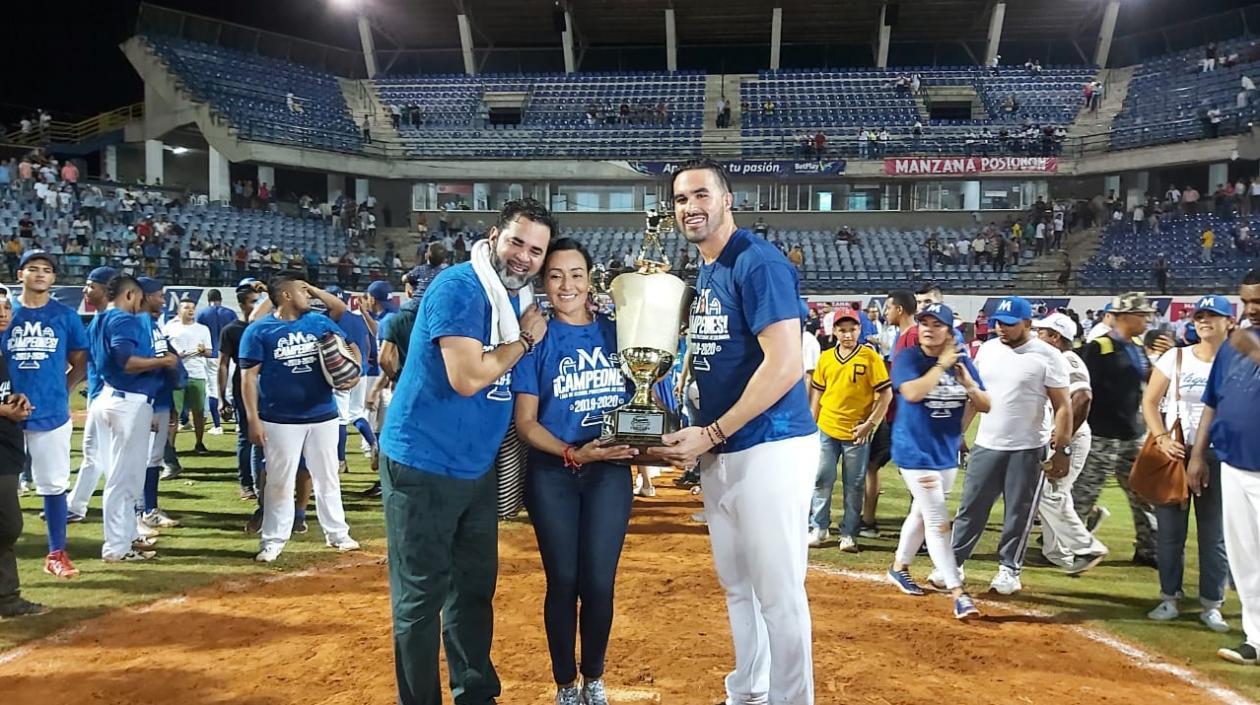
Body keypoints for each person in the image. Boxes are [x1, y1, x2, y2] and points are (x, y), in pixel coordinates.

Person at [651, 160, 818, 705]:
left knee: (778, 594)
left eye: (701, 194)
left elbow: (786, 364)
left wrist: (714, 431)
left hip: (770, 445)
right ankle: (747, 691)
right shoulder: (708, 269)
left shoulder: (757, 262)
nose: (689, 207)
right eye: (679, 199)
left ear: (728, 200)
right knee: (739, 589)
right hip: (724, 450)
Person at [378, 198, 553, 705]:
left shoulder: (515, 299)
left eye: (536, 250)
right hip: (422, 464)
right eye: (517, 241)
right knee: (419, 599)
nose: (523, 256)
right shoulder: (461, 286)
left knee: (473, 591)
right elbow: (468, 376)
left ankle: (476, 694)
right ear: (495, 235)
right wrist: (523, 340)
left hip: (474, 471)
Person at [511, 238, 637, 705]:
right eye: (556, 275)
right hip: (553, 474)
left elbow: (641, 398)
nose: (567, 285)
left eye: (576, 274)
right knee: (564, 581)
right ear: (544, 282)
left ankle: (595, 678)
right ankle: (566, 684)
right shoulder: (536, 339)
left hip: (609, 473)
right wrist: (573, 454)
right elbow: (526, 423)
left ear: (591, 279)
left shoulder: (619, 332)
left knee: (598, 582)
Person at [933, 297, 1071, 595]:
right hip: (987, 442)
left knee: (1018, 512)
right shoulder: (987, 349)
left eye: (1009, 324)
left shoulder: (1048, 356)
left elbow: (1063, 406)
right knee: (971, 507)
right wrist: (959, 432)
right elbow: (975, 393)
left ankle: (1009, 570)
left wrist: (1062, 449)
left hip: (1028, 447)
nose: (1000, 329)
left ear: (1028, 324)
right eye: (997, 323)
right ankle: (953, 564)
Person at [239, 274, 361, 563]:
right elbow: (248, 377)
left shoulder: (318, 322)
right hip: (279, 418)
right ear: (286, 296)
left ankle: (337, 533)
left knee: (327, 475)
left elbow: (345, 330)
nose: (308, 295)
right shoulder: (260, 331)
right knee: (279, 480)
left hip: (322, 413)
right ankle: (273, 540)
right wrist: (253, 419)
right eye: (301, 291)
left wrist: (352, 370)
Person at [884, 303, 988, 620]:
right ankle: (958, 592)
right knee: (937, 518)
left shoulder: (963, 360)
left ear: (948, 330)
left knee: (922, 511)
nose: (928, 328)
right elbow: (912, 393)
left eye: (936, 324)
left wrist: (968, 384)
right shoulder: (908, 358)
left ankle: (899, 567)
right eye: (924, 323)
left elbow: (985, 403)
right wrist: (941, 367)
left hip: (945, 453)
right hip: (913, 451)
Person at [1141, 295, 1232, 632]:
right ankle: (1169, 598)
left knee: (1213, 534)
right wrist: (1162, 437)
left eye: (1213, 316)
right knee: (1170, 533)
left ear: (1228, 322)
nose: (1204, 321)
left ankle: (1212, 604)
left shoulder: (1236, 360)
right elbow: (1150, 402)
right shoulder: (1175, 357)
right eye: (1200, 316)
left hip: (1217, 454)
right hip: (1175, 452)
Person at [4, 251, 88, 578]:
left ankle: (56, 553)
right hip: (6, 412)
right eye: (33, 269)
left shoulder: (65, 316)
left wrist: (62, 388)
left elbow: (80, 360)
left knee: (54, 485)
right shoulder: (5, 313)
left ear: (53, 278)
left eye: (47, 270)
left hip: (51, 412)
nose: (40, 274)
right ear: (20, 274)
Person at [1191, 271, 1260, 665]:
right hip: (1233, 463)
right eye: (1247, 302)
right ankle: (1255, 639)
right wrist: (1198, 455)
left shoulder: (1242, 342)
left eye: (1259, 303)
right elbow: (1212, 401)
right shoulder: (1233, 346)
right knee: (1245, 557)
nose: (1251, 309)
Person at [89, 274, 177, 561]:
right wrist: (163, 361)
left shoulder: (99, 319)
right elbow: (127, 362)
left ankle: (125, 537)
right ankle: (116, 548)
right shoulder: (124, 320)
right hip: (126, 401)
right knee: (123, 480)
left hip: (114, 397)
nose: (141, 302)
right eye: (138, 297)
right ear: (129, 295)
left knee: (125, 477)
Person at [1074, 292, 1160, 567]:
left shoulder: (1137, 347)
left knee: (1143, 495)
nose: (1147, 319)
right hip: (1101, 435)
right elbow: (1081, 388)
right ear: (1125, 317)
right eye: (1142, 315)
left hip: (1132, 434)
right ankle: (1066, 546)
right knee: (1084, 494)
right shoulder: (1099, 347)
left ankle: (1149, 549)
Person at [808, 306, 892, 552]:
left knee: (853, 485)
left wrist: (870, 423)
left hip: (857, 432)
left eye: (852, 329)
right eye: (842, 330)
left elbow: (885, 393)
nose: (847, 334)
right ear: (833, 331)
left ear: (859, 330)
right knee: (821, 478)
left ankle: (849, 533)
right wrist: (813, 424)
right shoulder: (825, 358)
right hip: (827, 426)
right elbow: (818, 392)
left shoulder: (869, 357)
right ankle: (819, 527)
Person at [1030, 313, 1108, 574]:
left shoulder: (1068, 359)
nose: (1037, 336)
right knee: (1051, 493)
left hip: (1070, 437)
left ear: (1055, 337)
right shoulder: (1056, 359)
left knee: (1049, 493)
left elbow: (1083, 397)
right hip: (1063, 435)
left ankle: (1083, 548)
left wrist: (1063, 439)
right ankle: (1058, 553)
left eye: (1042, 332)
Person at [860, 290, 918, 539]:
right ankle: (868, 521)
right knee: (872, 464)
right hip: (896, 415)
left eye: (888, 308)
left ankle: (920, 533)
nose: (885, 312)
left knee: (915, 475)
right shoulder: (902, 335)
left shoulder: (912, 336)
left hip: (906, 417)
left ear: (900, 310)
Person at [0, 292, 43, 617]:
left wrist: (15, 399)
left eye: (6, 308)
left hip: (7, 446)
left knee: (6, 526)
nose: (3, 313)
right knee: (8, 524)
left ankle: (8, 598)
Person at [67, 266, 118, 521]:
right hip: (99, 396)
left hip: (109, 398)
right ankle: (75, 506)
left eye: (91, 285)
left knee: (110, 460)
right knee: (95, 455)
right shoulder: (100, 318)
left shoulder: (111, 319)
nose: (85, 290)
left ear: (107, 289)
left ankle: (136, 515)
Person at [138, 278, 182, 535]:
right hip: (148, 402)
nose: (163, 300)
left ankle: (149, 509)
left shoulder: (152, 325)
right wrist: (150, 403)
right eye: (158, 295)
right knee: (139, 460)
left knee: (153, 458)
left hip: (160, 400)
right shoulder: (138, 325)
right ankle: (139, 513)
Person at [219, 279, 265, 505]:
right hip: (244, 384)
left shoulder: (266, 325)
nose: (257, 306)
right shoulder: (231, 330)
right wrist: (221, 397)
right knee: (247, 437)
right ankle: (246, 483)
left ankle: (265, 482)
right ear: (243, 304)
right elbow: (223, 364)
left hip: (267, 384)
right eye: (253, 302)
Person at [164, 296, 214, 458]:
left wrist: (202, 350)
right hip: (175, 375)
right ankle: (170, 447)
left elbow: (210, 352)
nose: (190, 310)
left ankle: (199, 443)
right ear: (179, 311)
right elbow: (162, 348)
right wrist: (174, 354)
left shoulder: (202, 329)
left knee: (198, 412)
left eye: (192, 307)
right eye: (186, 307)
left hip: (197, 374)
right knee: (174, 413)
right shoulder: (169, 328)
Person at [196, 289, 238, 435]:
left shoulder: (202, 313)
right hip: (229, 355)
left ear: (209, 299)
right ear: (220, 299)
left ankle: (217, 425)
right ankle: (238, 423)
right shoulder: (230, 312)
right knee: (232, 391)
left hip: (211, 355)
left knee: (213, 390)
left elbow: (199, 335)